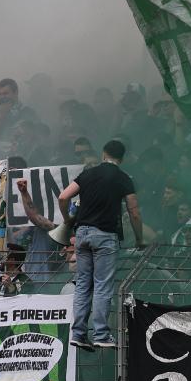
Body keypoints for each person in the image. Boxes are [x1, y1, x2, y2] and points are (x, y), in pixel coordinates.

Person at [58, 140, 143, 350]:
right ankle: (101, 334)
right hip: (105, 236)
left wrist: (68, 221)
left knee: (83, 285)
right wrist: (139, 238)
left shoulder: (87, 174)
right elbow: (133, 211)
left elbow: (63, 196)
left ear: (103, 154)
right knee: (103, 286)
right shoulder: (124, 178)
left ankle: (78, 334)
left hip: (82, 234)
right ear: (122, 159)